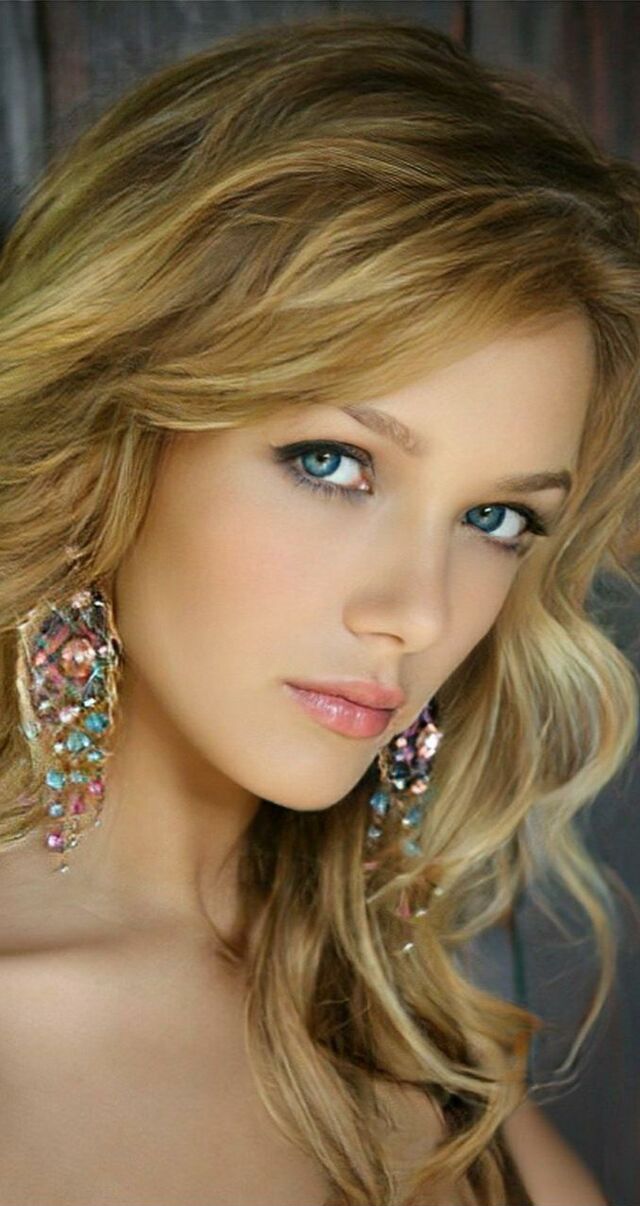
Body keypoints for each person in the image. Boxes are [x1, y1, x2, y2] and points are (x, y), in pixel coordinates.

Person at [0, 12, 637, 1205]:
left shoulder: (408, 1035)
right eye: (334, 465)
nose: (417, 614)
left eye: (495, 519)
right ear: (112, 447)